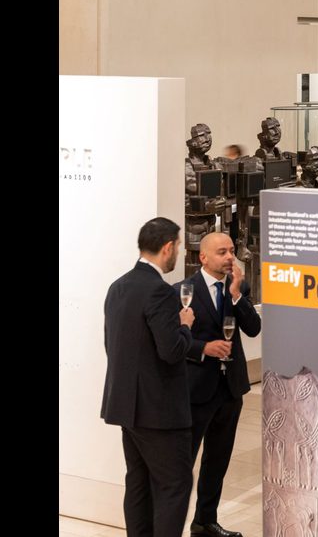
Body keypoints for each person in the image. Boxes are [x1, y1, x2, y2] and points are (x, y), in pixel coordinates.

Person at [101, 217, 196, 537]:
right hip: (159, 411)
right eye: (179, 247)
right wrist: (185, 326)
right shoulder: (160, 292)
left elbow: (111, 345)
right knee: (175, 484)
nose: (179, 253)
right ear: (167, 247)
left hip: (127, 406)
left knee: (138, 482)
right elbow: (170, 351)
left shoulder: (118, 287)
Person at [179, 232, 261, 537]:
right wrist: (203, 348)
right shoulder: (183, 290)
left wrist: (238, 296)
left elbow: (253, 328)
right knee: (182, 462)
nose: (230, 257)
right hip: (196, 391)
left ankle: (205, 521)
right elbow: (173, 343)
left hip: (229, 390)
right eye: (222, 252)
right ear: (203, 257)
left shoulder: (238, 287)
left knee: (218, 459)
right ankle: (169, 523)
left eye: (231, 252)